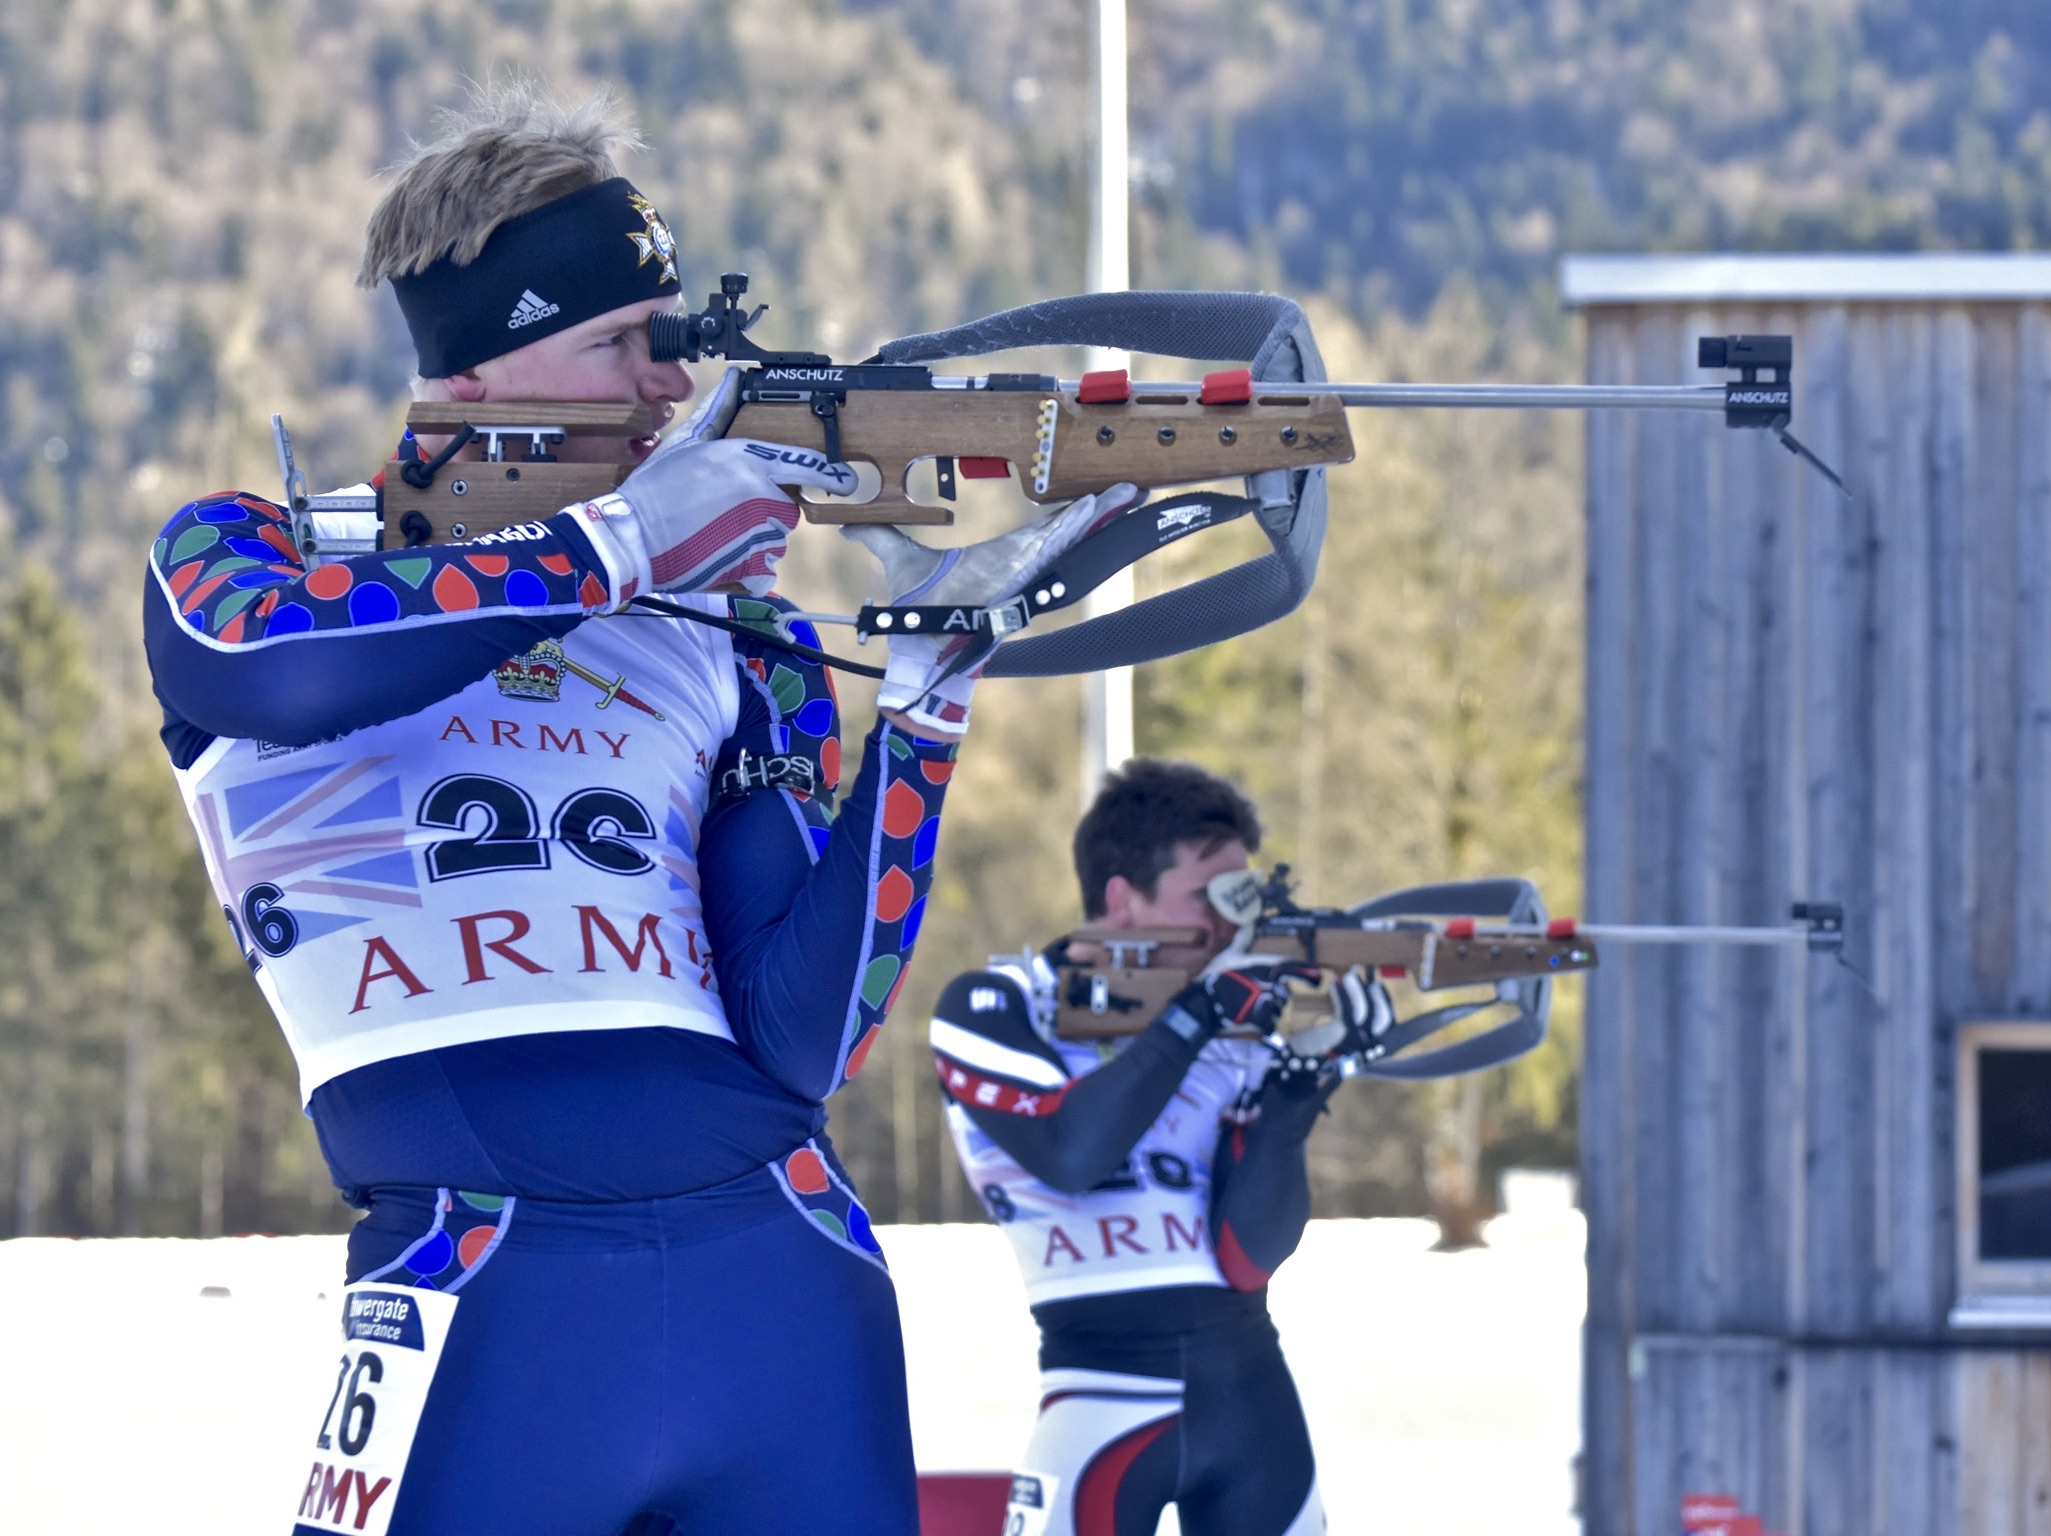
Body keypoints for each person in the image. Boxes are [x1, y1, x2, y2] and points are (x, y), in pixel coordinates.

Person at [142, 85, 1133, 1536]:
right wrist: (617, 543)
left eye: (673, 342)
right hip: (480, 1285)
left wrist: (921, 713)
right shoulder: (262, 551)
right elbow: (263, 671)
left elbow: (808, 1036)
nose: (670, 390)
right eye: (620, 343)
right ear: (474, 373)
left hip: (779, 1274)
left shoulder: (721, 626)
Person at [930, 759, 1393, 1536]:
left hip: (1252, 1399)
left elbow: (1249, 1257)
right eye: (1209, 901)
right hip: (1099, 1395)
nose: (1230, 931)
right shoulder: (997, 1006)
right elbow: (1070, 1155)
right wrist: (1195, 1017)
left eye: (1242, 902)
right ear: (1122, 897)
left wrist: (1298, 1094)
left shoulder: (1234, 1022)